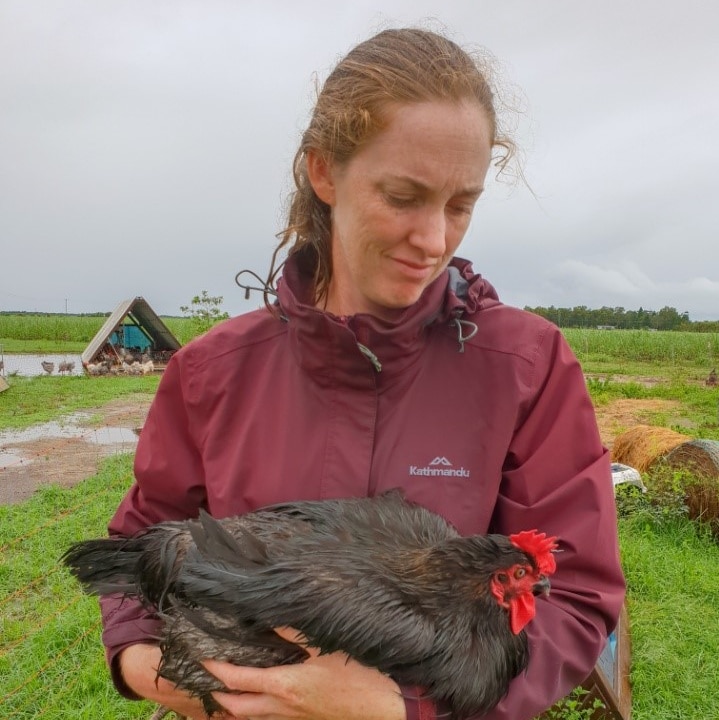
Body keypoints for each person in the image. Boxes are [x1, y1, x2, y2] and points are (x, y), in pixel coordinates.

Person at [100, 27, 625, 720]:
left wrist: (405, 709)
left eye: (460, 204)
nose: (434, 238)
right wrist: (148, 666)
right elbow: (144, 547)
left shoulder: (526, 367)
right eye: (403, 196)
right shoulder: (210, 372)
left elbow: (574, 594)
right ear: (324, 173)